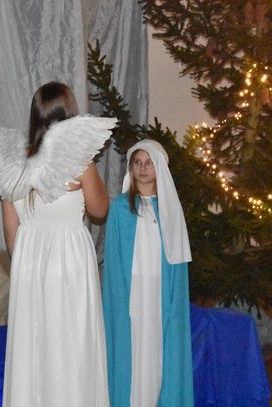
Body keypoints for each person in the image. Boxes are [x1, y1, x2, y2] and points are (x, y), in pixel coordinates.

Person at [0, 82, 116, 407]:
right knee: (72, 345)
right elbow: (100, 209)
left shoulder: (11, 164)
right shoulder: (79, 162)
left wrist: (27, 265)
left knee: (34, 346)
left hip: (29, 264)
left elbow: (11, 231)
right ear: (69, 113)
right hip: (69, 263)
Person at [102, 139, 194, 407]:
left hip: (159, 294)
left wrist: (172, 298)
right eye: (137, 162)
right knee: (132, 347)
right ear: (131, 168)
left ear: (159, 168)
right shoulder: (120, 208)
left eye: (149, 163)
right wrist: (119, 297)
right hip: (131, 294)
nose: (142, 168)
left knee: (158, 349)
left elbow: (177, 262)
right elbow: (114, 259)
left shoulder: (170, 210)